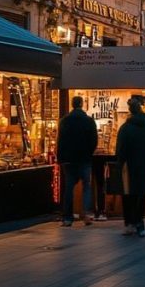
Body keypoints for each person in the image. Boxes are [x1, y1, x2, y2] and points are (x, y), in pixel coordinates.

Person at [116, 96, 145, 237]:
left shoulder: (125, 129)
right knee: (141, 195)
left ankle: (130, 223)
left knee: (129, 195)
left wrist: (120, 163)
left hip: (129, 167)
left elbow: (120, 150)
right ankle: (140, 223)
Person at [57, 95, 98, 227]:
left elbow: (60, 141)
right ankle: (86, 214)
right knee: (86, 186)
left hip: (69, 160)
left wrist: (60, 158)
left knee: (69, 188)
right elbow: (94, 140)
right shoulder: (89, 121)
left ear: (72, 105)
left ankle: (67, 218)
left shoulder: (64, 121)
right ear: (81, 104)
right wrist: (89, 152)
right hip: (84, 159)